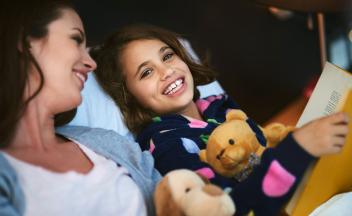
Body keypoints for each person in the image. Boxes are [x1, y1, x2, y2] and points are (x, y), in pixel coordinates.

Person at [93, 24, 350, 215]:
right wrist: (299, 148)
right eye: (146, 72)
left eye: (167, 56)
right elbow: (229, 207)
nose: (166, 72)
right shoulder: (166, 146)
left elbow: (259, 152)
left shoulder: (219, 106)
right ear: (130, 96)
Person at [0, 1, 161, 216]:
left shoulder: (111, 144)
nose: (91, 63)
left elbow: (178, 198)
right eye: (76, 39)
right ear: (26, 40)